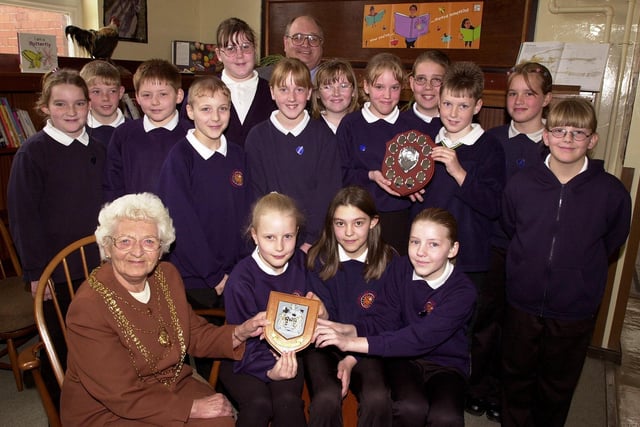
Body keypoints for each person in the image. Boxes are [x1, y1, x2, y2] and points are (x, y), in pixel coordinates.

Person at [60, 192, 268, 426]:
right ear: (107, 247)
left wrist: (238, 332)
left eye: (149, 241)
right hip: (107, 410)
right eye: (125, 241)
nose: (137, 251)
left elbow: (193, 333)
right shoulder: (88, 308)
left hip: (170, 384)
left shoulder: (167, 277)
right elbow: (119, 393)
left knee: (220, 421)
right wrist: (190, 408)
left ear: (160, 249)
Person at [500, 98, 631, 427]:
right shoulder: (521, 184)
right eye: (559, 131)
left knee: (557, 384)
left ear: (593, 140)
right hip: (523, 301)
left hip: (574, 307)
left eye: (578, 132)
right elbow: (509, 227)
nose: (568, 139)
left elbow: (612, 240)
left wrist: (580, 274)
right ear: (546, 136)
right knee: (516, 378)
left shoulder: (610, 192)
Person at [314, 207, 477, 426]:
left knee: (445, 417)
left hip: (446, 365)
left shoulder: (463, 291)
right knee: (410, 407)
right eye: (414, 241)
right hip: (404, 359)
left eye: (434, 244)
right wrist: (346, 329)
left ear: (452, 248)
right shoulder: (399, 268)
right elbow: (384, 320)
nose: (421, 252)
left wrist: (350, 343)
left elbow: (420, 337)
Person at [7, 68, 106, 407]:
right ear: (45, 107)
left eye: (79, 103)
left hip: (99, 266)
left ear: (88, 105)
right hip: (57, 273)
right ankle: (64, 412)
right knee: (62, 350)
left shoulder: (100, 147)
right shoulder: (33, 153)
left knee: (101, 344)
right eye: (61, 104)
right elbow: (23, 219)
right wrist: (37, 274)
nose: (71, 111)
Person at [465, 61, 553, 422]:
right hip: (493, 247)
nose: (519, 101)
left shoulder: (554, 144)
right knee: (484, 323)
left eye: (529, 93)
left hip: (532, 253)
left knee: (521, 330)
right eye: (513, 92)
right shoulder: (493, 139)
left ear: (546, 99)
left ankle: (508, 395)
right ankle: (478, 388)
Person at [219, 192, 327, 427]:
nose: (279, 247)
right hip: (243, 359)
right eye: (269, 237)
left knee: (288, 401)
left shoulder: (302, 263)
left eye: (287, 236)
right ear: (255, 236)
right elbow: (239, 342)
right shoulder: (241, 280)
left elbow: (315, 317)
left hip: (288, 355)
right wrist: (269, 372)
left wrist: (322, 314)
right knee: (258, 405)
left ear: (297, 232)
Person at [304, 186, 395, 426]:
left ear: (373, 222)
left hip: (367, 344)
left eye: (358, 223)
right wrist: (321, 313)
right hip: (322, 345)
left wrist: (352, 355)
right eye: (340, 224)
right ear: (331, 224)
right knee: (326, 398)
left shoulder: (389, 262)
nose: (348, 233)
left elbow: (388, 321)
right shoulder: (318, 258)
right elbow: (323, 322)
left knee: (377, 398)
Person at [157, 76, 250, 310]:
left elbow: (249, 213)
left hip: (236, 273)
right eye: (206, 109)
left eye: (223, 109)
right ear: (189, 111)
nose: (216, 117)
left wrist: (243, 268)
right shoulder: (180, 158)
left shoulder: (238, 155)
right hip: (197, 279)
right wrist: (214, 275)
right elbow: (181, 223)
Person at [416, 61, 505, 302]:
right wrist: (412, 190)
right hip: (427, 255)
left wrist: (459, 172)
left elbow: (493, 205)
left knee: (465, 325)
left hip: (468, 255)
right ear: (438, 101)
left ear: (477, 106)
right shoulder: (426, 141)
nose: (453, 114)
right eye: (447, 104)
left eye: (463, 106)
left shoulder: (489, 147)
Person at [245, 57, 341, 251]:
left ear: (309, 93)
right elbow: (254, 192)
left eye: (299, 89)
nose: (291, 97)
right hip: (270, 241)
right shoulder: (257, 137)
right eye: (283, 89)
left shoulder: (323, 137)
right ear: (272, 92)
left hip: (313, 244)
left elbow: (328, 192)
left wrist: (310, 241)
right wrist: (269, 237)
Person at [338, 52, 421, 255]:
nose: (387, 95)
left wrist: (418, 183)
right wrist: (371, 175)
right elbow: (339, 173)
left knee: (394, 274)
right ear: (366, 86)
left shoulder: (412, 126)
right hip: (358, 216)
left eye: (394, 88)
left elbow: (421, 172)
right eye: (379, 87)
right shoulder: (350, 124)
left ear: (402, 89)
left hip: (398, 217)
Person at [103, 58, 191, 201]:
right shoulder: (123, 135)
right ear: (137, 97)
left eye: (163, 94)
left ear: (179, 96)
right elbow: (112, 185)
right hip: (135, 219)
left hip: (181, 221)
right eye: (146, 95)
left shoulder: (193, 135)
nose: (155, 102)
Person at [215, 17, 276, 147]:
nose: (240, 54)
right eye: (231, 48)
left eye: (245, 46)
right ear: (219, 54)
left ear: (255, 49)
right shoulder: (201, 93)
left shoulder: (273, 94)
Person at [258, 15, 324, 81]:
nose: (305, 44)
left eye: (313, 39)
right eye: (298, 38)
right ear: (286, 43)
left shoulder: (332, 79)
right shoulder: (259, 79)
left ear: (322, 44)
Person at [402, 50, 450, 140]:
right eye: (421, 79)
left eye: (436, 79)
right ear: (412, 83)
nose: (428, 87)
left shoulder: (458, 126)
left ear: (448, 84)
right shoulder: (396, 125)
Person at [79, 59, 127, 147]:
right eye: (96, 92)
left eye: (112, 91)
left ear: (120, 93)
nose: (105, 98)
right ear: (84, 94)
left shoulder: (135, 130)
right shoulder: (77, 131)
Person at [311, 58, 360, 134]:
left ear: (353, 91)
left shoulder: (363, 127)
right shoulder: (310, 129)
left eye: (343, 86)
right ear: (317, 93)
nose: (336, 93)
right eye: (327, 87)